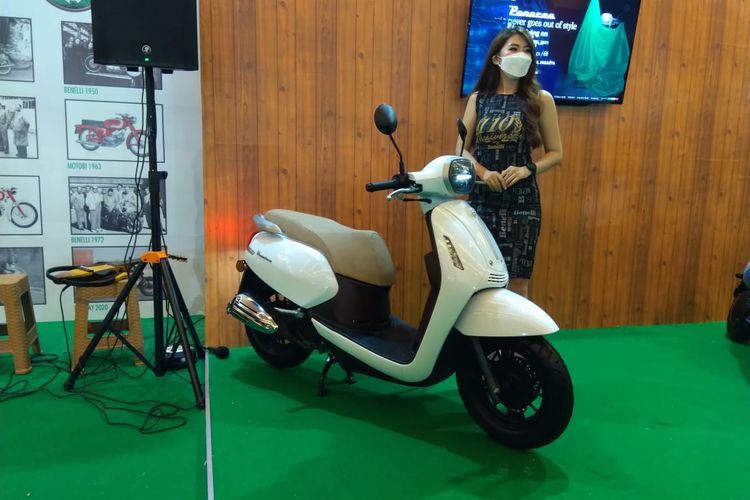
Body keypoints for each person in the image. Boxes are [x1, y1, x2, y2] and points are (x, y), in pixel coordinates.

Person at [457, 26, 563, 298]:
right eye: (514, 49)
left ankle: (516, 329)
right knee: (481, 278)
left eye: (527, 50)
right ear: (497, 58)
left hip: (522, 204)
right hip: (482, 199)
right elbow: (461, 149)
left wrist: (527, 169)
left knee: (517, 282)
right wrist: (483, 172)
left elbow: (556, 153)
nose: (521, 55)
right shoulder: (478, 99)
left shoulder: (541, 100)